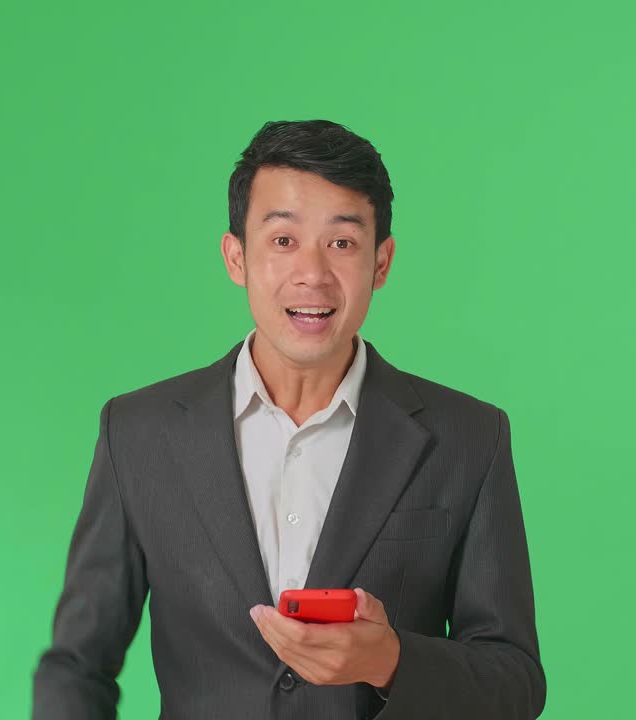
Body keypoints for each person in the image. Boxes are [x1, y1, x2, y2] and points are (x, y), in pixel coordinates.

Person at [31, 119, 546, 719]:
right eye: (282, 240)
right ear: (236, 257)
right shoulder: (138, 434)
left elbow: (516, 682)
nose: (313, 274)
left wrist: (391, 660)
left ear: (381, 263)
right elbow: (77, 666)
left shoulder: (470, 438)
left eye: (342, 243)